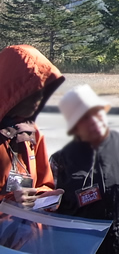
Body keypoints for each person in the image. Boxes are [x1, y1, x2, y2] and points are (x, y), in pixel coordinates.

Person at [50, 85, 119, 254]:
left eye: (96, 112)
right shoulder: (60, 161)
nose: (94, 120)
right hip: (81, 247)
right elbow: (51, 215)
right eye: (85, 117)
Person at [0, 45, 65, 209]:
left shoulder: (31, 134)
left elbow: (44, 183)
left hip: (27, 232)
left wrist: (44, 197)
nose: (40, 97)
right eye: (33, 91)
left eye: (43, 89)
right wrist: (8, 201)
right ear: (13, 91)